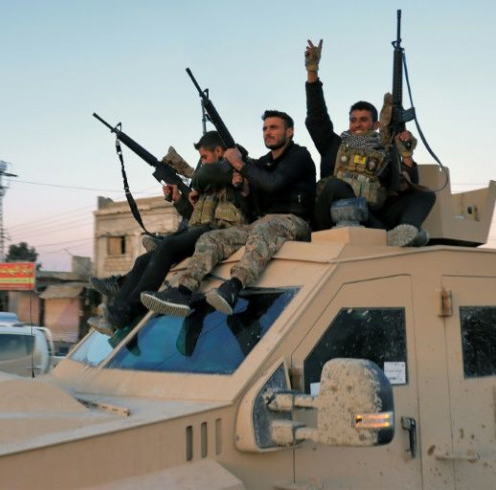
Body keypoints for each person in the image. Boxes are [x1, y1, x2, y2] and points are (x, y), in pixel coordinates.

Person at [142, 110, 316, 316]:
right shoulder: (263, 162)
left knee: (264, 228)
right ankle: (183, 291)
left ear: (290, 132)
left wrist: (240, 165)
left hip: (294, 221)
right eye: (265, 128)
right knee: (212, 238)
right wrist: (243, 187)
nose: (268, 132)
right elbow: (254, 195)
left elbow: (273, 184)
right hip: (262, 223)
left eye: (274, 127)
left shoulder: (299, 156)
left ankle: (233, 286)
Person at [87, 131, 250, 335]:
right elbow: (195, 217)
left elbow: (217, 211)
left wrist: (196, 185)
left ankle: (130, 309)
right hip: (203, 231)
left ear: (219, 151)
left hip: (221, 233)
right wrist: (178, 200)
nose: (202, 162)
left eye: (204, 157)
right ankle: (117, 315)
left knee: (168, 246)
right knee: (143, 260)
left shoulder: (235, 169)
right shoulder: (210, 184)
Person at [304, 39, 435, 246]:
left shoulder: (383, 150)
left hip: (372, 219)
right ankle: (388, 234)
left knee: (426, 195)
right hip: (331, 218)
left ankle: (405, 232)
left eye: (363, 120)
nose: (357, 125)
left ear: (375, 124)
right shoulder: (334, 145)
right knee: (336, 185)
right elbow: (316, 116)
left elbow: (406, 185)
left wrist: (406, 154)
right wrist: (312, 71)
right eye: (353, 120)